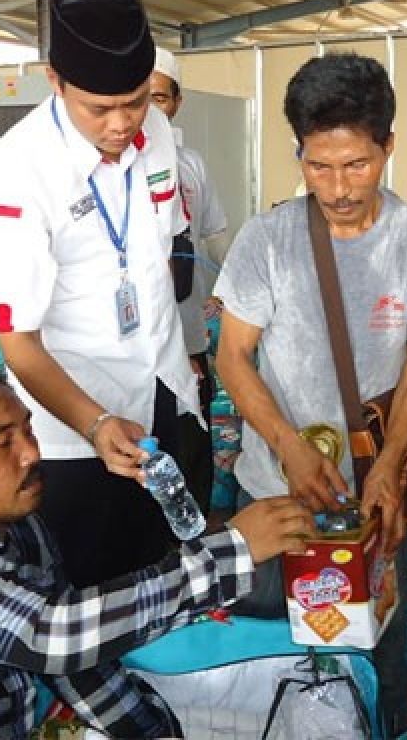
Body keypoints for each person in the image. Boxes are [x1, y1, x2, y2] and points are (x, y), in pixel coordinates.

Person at [0, 364, 314, 739]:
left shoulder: (23, 527)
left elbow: (75, 666)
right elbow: (53, 636)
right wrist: (231, 555)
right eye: (2, 442)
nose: (31, 453)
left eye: (27, 430)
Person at [213, 52, 407, 735]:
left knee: (376, 646)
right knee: (275, 646)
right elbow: (232, 357)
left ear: (388, 145)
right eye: (317, 166)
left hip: (375, 499)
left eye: (357, 164)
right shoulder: (267, 239)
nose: (338, 188)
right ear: (298, 152)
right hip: (273, 492)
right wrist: (290, 450)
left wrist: (386, 466)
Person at [0, 0, 201, 589]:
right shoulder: (16, 173)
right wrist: (95, 423)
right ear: (54, 80)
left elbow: (159, 248)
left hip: (160, 388)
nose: (122, 124)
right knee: (93, 588)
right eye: (99, 108)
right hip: (74, 423)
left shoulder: (157, 137)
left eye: (137, 100)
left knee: (166, 571)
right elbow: (18, 341)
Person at [150, 47, 229, 510]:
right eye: (140, 97)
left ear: (176, 103)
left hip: (189, 333)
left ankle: (194, 539)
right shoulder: (106, 170)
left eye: (160, 97)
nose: (148, 109)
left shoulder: (192, 164)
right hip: (136, 347)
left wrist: (231, 294)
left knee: (193, 438)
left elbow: (216, 236)